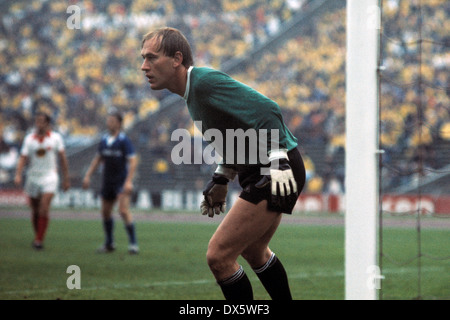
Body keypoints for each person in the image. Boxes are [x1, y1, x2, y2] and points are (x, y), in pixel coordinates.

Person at [140, 27, 306, 300]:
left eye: (152, 57)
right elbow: (236, 134)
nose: (144, 66)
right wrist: (222, 177)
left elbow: (268, 109)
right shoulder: (193, 93)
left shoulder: (203, 83)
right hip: (262, 167)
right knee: (254, 251)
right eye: (144, 58)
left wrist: (278, 160)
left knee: (219, 256)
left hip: (274, 168)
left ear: (177, 59)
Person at [82, 110, 139, 254]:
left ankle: (133, 244)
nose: (109, 123)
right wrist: (88, 175)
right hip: (107, 181)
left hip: (121, 181)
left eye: (112, 121)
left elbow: (132, 161)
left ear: (119, 123)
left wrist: (128, 181)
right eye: (108, 120)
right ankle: (109, 243)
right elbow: (98, 159)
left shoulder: (124, 140)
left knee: (123, 210)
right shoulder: (104, 140)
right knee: (105, 212)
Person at [14, 112, 70, 250]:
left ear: (47, 123)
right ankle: (38, 235)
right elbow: (23, 157)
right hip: (33, 176)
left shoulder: (56, 138)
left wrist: (66, 178)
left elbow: (62, 158)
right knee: (35, 210)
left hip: (50, 176)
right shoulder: (29, 139)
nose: (38, 124)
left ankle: (39, 240)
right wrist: (18, 174)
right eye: (37, 121)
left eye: (41, 121)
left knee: (44, 208)